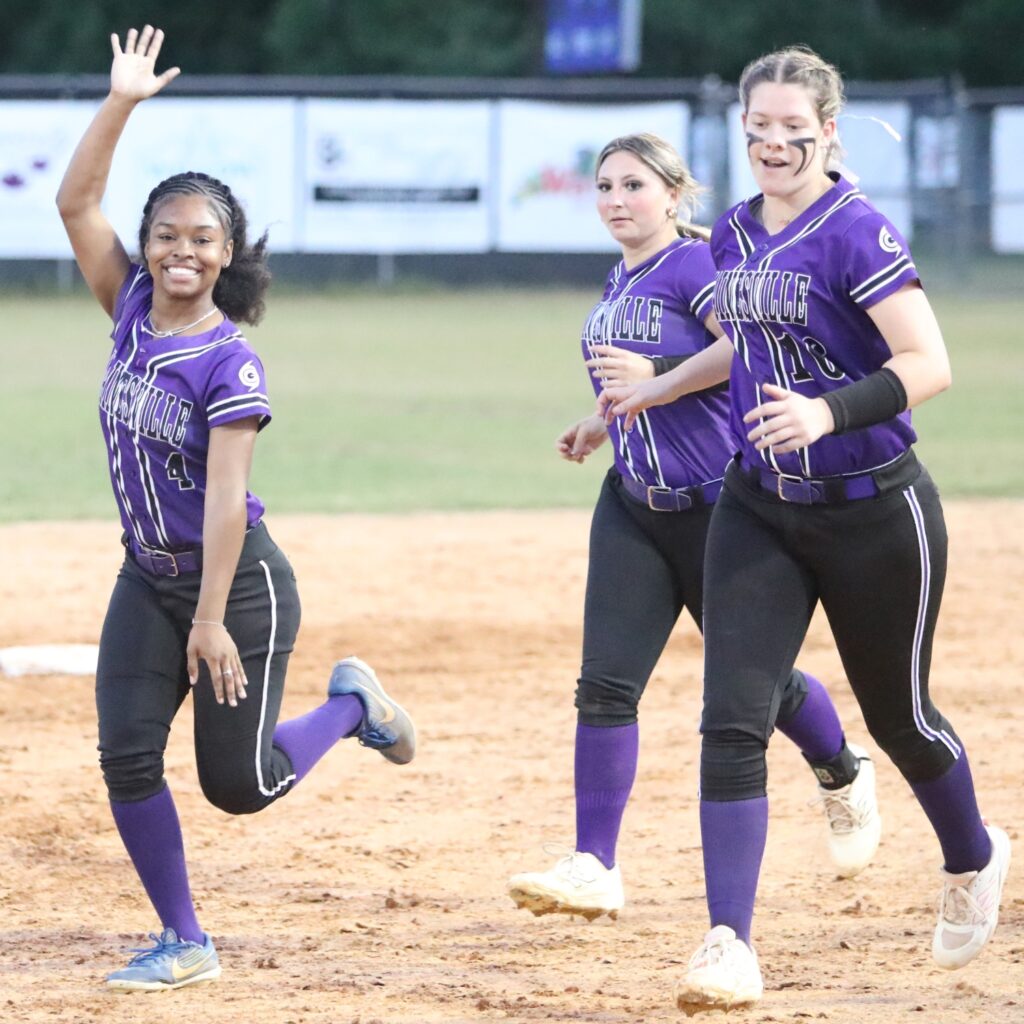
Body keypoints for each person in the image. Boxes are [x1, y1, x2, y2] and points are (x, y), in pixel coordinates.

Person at [604, 49, 1010, 1012]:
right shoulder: (737, 230)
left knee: (900, 721)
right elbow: (737, 346)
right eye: (759, 129)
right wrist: (650, 392)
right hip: (757, 506)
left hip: (875, 508)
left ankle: (973, 856)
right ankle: (728, 943)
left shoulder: (858, 233)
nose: (774, 142)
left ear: (829, 130)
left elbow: (930, 362)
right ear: (741, 134)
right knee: (731, 717)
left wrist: (828, 412)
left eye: (795, 127)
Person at [56, 25, 417, 992]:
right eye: (166, 235)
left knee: (240, 788)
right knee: (126, 757)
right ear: (147, 247)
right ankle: (186, 941)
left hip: (238, 588)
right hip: (148, 579)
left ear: (227, 255)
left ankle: (352, 708)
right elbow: (75, 199)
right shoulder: (129, 305)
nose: (181, 250)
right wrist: (123, 102)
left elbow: (224, 500)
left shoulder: (230, 363)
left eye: (202, 239)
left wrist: (210, 620)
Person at [506, 132, 880, 924]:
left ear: (674, 195)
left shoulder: (698, 264)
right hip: (635, 503)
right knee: (605, 684)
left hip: (721, 511)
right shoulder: (620, 278)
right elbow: (647, 383)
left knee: (762, 686)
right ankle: (594, 864)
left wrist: (658, 381)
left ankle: (842, 769)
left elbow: (744, 346)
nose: (615, 199)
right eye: (604, 186)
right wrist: (606, 420)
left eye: (633, 185)